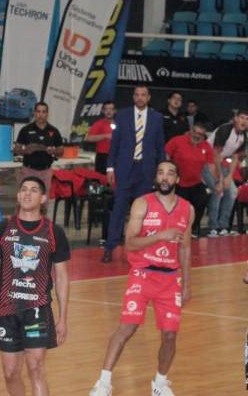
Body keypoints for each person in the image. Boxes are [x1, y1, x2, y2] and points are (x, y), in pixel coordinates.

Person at [90, 161, 194, 396]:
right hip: (142, 274)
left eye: (170, 173)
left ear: (177, 179)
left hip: (170, 279)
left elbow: (186, 249)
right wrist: (160, 236)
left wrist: (187, 284)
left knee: (170, 335)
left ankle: (160, 383)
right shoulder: (142, 203)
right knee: (127, 328)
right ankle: (103, 383)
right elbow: (130, 243)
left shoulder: (187, 209)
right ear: (156, 178)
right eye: (160, 173)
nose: (165, 177)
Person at [0, 176, 70, 396]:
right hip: (7, 311)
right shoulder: (2, 229)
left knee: (36, 368)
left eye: (33, 190)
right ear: (18, 195)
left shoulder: (54, 232)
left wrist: (63, 318)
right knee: (10, 373)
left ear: (43, 198)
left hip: (37, 310)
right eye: (23, 189)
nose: (27, 193)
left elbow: (61, 276)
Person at [103, 85, 165, 263]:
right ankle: (109, 247)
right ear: (133, 97)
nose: (140, 98)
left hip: (145, 170)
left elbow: (160, 146)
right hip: (124, 170)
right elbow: (114, 144)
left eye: (143, 95)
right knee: (119, 209)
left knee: (142, 211)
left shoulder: (157, 117)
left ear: (149, 97)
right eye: (137, 95)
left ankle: (140, 249)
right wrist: (110, 168)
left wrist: (161, 171)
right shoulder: (122, 115)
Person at [165, 123, 217, 238]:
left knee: (203, 198)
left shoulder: (206, 146)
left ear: (204, 136)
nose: (197, 136)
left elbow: (210, 166)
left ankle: (192, 229)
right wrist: (168, 174)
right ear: (190, 131)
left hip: (195, 182)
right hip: (178, 182)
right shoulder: (177, 140)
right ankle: (175, 230)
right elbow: (165, 155)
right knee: (179, 205)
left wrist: (217, 182)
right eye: (195, 132)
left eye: (200, 134)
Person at [203, 109, 248, 237]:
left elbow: (235, 158)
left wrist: (229, 177)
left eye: (247, 119)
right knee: (219, 190)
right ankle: (213, 228)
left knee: (232, 191)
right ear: (235, 118)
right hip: (206, 161)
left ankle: (224, 227)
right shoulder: (225, 130)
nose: (244, 121)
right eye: (242, 117)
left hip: (220, 163)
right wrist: (221, 178)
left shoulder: (243, 136)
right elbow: (215, 154)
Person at [13, 102, 64, 198]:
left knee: (43, 200)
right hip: (28, 171)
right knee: (25, 199)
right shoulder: (25, 130)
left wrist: (53, 151)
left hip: (46, 172)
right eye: (38, 111)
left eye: (43, 112)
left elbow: (61, 151)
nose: (41, 115)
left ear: (47, 114)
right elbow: (16, 149)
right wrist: (26, 150)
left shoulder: (54, 131)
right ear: (34, 113)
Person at [85, 101, 116, 175]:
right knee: (102, 179)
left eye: (111, 109)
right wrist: (106, 136)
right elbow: (89, 138)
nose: (108, 111)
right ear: (103, 111)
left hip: (117, 156)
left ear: (115, 111)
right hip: (103, 157)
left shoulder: (120, 123)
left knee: (117, 179)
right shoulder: (98, 124)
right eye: (106, 109)